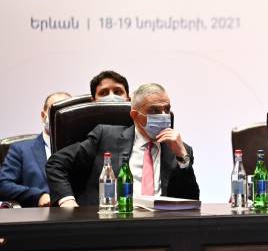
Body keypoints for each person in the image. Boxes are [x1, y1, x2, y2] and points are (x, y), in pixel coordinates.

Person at [46, 83, 199, 206]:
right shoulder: (106, 136)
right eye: (154, 110)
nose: (163, 115)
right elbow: (56, 163)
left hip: (160, 226)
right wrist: (67, 202)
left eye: (167, 109)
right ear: (135, 115)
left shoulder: (180, 150)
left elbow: (191, 200)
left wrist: (182, 157)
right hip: (109, 223)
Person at [0, 91, 71, 207]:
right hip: (39, 213)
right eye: (55, 111)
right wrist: (38, 196)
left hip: (78, 213)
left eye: (66, 111)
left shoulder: (85, 147)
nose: (60, 116)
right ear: (43, 116)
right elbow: (3, 185)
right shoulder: (21, 150)